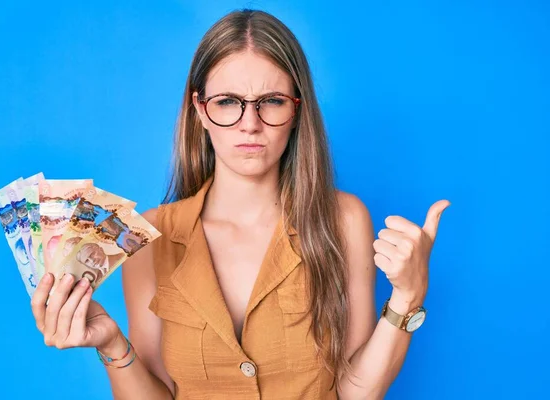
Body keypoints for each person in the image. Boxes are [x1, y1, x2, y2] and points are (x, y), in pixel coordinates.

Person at [30, 9, 449, 399]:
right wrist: (111, 343)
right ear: (200, 110)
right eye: (228, 102)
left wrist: (407, 296)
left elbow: (356, 391)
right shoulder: (150, 237)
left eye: (271, 101)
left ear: (297, 109)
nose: (250, 123)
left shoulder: (342, 219)